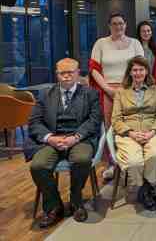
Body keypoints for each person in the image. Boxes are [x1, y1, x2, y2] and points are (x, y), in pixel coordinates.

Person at [25, 58, 102, 227]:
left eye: (70, 73)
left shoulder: (90, 94)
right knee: (38, 165)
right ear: (57, 74)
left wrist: (76, 137)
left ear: (78, 73)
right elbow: (34, 122)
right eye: (62, 73)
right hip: (53, 140)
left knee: (82, 159)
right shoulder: (46, 94)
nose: (66, 76)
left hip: (79, 138)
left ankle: (76, 201)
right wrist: (50, 138)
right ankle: (54, 206)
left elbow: (94, 120)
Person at [89, 12, 144, 180]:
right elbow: (94, 69)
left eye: (121, 23)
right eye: (114, 23)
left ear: (126, 25)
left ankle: (133, 160)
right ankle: (112, 164)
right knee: (110, 127)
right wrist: (107, 89)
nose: (118, 26)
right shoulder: (101, 43)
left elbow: (141, 67)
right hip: (108, 91)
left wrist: (130, 87)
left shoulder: (135, 43)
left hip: (131, 89)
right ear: (109, 26)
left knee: (134, 125)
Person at [112, 56, 156, 211]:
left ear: (147, 71)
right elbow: (115, 119)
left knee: (155, 154)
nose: (138, 73)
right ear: (129, 73)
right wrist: (131, 133)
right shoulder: (121, 92)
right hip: (128, 134)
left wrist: (152, 132)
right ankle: (147, 189)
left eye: (141, 69)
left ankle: (144, 190)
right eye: (134, 70)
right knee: (134, 162)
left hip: (151, 132)